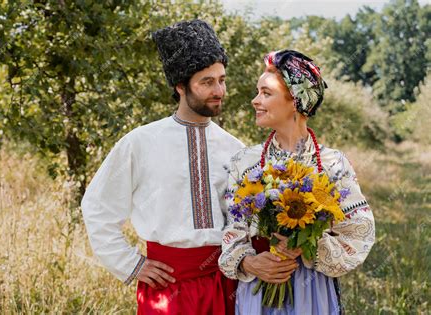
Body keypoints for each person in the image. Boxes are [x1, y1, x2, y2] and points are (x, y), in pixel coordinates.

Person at [81, 19, 244, 314]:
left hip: (224, 286)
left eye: (221, 79)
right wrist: (131, 264)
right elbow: (97, 206)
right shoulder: (140, 143)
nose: (218, 90)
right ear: (180, 86)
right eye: (206, 82)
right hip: (166, 289)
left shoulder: (235, 149)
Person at [218, 49, 375, 314]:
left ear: (295, 100)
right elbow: (231, 229)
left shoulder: (333, 164)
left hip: (313, 292)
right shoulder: (244, 162)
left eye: (266, 93)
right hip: (258, 288)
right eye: (258, 92)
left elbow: (360, 232)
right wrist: (249, 263)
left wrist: (308, 245)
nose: (255, 101)